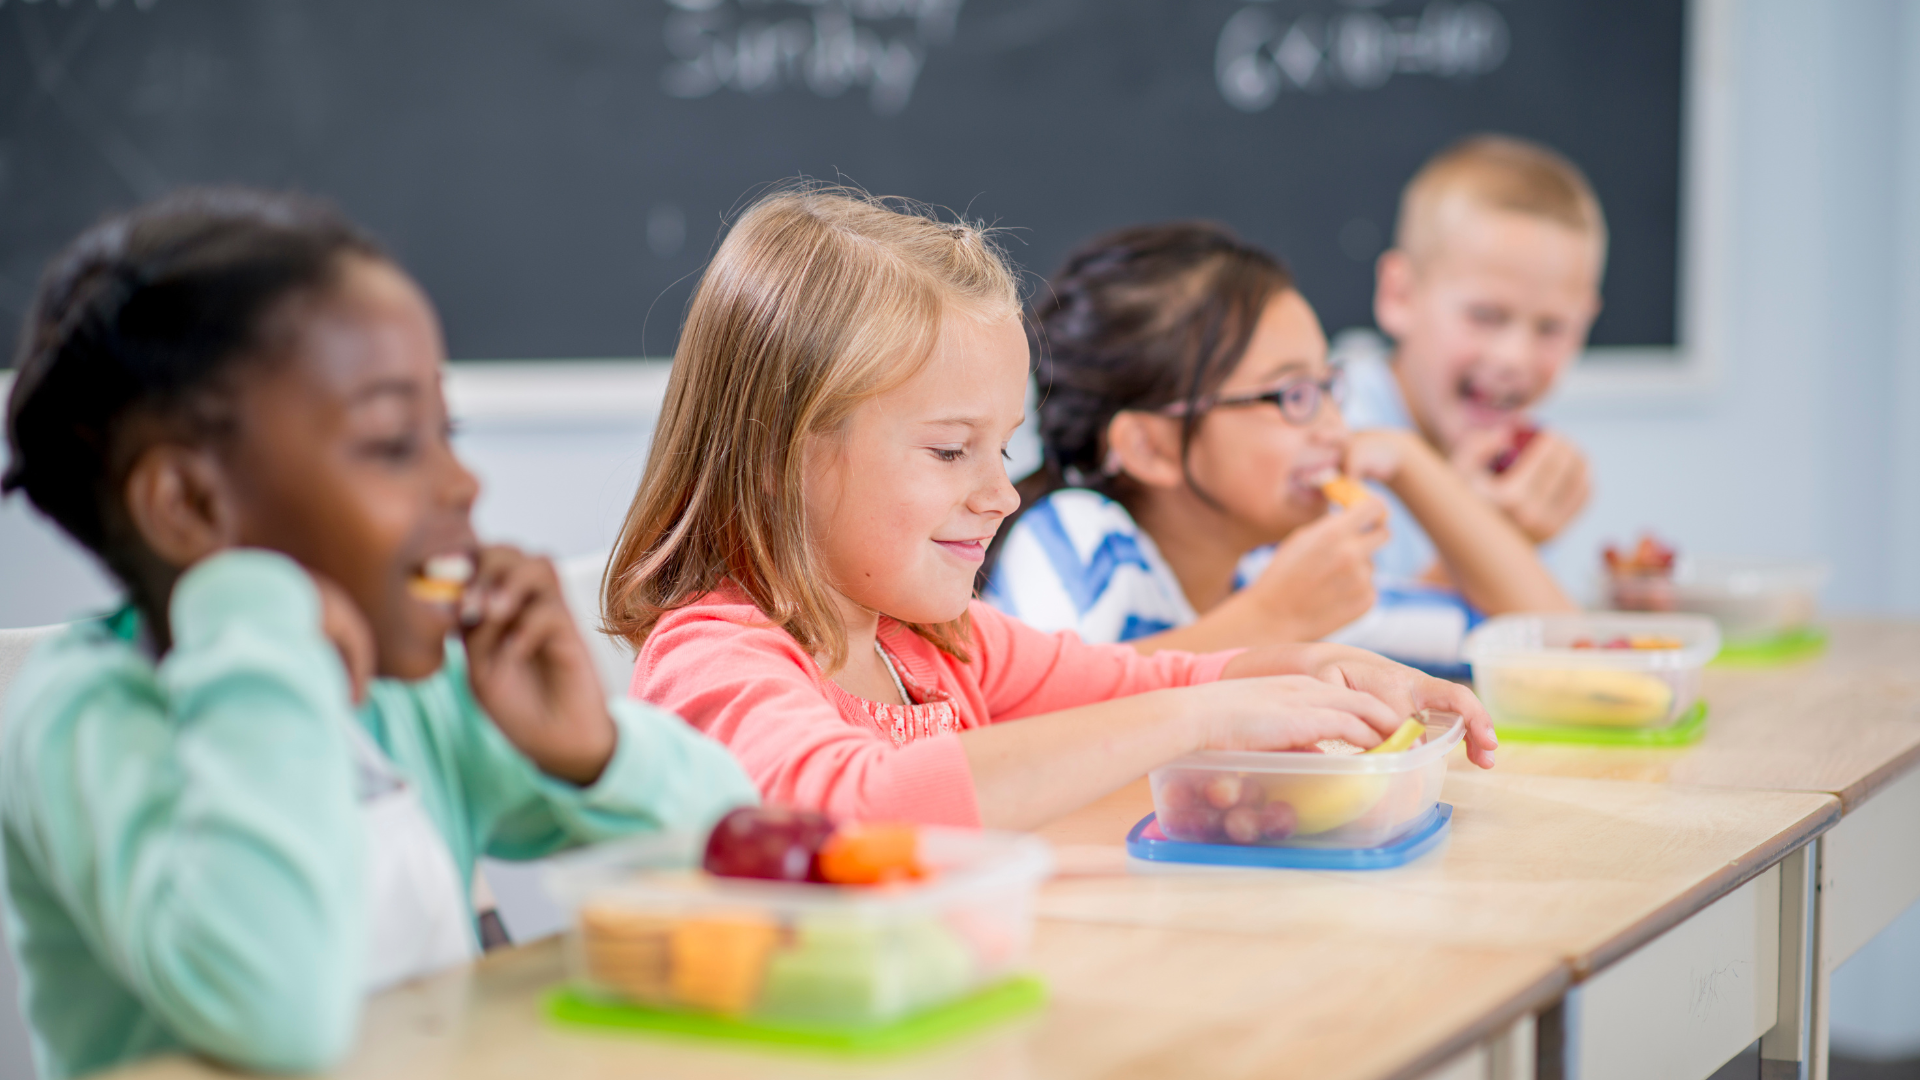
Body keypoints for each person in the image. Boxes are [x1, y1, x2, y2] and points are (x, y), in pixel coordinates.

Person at [0, 190, 757, 1080]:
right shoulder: (86, 719)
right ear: (191, 506)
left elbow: (733, 845)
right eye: (395, 444)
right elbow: (272, 1011)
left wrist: (591, 753)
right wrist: (253, 621)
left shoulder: (415, 699)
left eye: (450, 433)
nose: (463, 482)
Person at [607, 187, 1495, 833]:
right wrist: (1202, 721)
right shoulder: (714, 655)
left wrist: (1321, 666)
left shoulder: (936, 645)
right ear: (777, 460)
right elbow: (859, 809)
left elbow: (1150, 680)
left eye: (1001, 447)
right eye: (951, 450)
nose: (999, 494)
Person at [982, 223, 1573, 662]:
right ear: (1151, 448)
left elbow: (1546, 644)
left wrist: (1413, 465)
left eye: (1328, 386)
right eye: (1291, 396)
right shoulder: (1075, 533)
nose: (1335, 430)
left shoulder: (1261, 573)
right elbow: (1056, 715)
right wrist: (1273, 620)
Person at [1345, 133, 1606, 586]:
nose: (1514, 358)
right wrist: (1480, 544)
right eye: (1485, 316)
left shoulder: (1512, 470)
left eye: (1551, 328)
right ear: (1399, 295)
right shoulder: (1340, 436)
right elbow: (1354, 644)